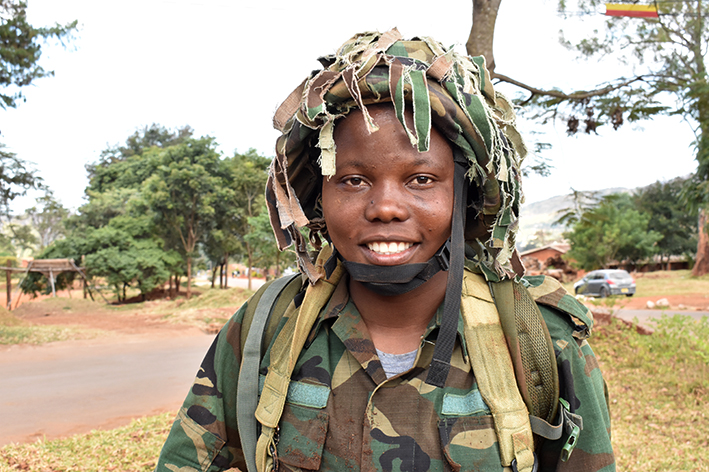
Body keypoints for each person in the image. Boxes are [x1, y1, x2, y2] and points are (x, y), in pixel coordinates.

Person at [155, 29, 614, 472]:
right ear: (320, 198)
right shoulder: (269, 325)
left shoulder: (540, 341)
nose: (386, 208)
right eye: (353, 180)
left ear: (465, 195)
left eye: (421, 180)